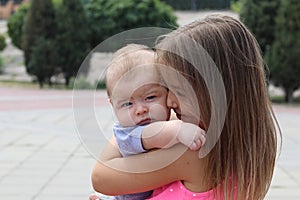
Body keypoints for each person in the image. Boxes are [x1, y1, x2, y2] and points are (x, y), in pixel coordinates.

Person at [90, 15, 281, 200]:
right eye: (167, 88)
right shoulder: (253, 145)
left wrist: (135, 130)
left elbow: (100, 178)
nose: (169, 102)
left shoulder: (193, 152)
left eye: (180, 92)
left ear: (214, 95)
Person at [93, 44, 206, 200]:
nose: (140, 110)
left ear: (166, 92)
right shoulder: (126, 133)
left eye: (150, 97)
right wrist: (179, 130)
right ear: (112, 105)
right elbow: (154, 134)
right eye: (127, 104)